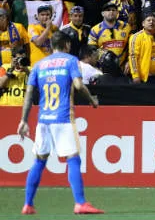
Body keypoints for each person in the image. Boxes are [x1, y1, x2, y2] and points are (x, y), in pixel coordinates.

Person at [17, 31, 103, 215]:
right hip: (63, 118)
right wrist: (91, 100)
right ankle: (80, 203)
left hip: (43, 120)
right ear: (66, 45)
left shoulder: (39, 65)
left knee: (39, 161)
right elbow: (79, 86)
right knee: (73, 158)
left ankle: (28, 204)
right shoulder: (71, 60)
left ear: (51, 46)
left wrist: (24, 120)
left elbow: (29, 94)